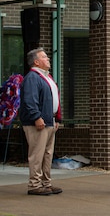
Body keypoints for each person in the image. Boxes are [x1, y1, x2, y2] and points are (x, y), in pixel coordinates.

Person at [20, 48, 63, 196]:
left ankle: (46, 183)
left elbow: (54, 98)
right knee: (37, 154)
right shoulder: (32, 77)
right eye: (44, 57)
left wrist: (57, 118)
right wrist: (37, 117)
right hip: (37, 122)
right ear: (36, 62)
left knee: (47, 154)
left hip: (49, 121)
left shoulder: (47, 77)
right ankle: (34, 184)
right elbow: (30, 100)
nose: (48, 59)